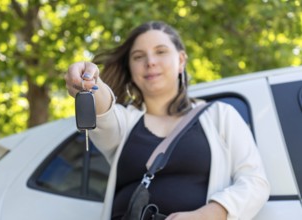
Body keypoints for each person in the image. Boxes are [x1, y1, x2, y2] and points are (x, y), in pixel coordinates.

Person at [65, 21, 270, 220]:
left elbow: (255, 181)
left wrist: (210, 214)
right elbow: (104, 114)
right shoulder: (126, 121)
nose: (150, 61)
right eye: (138, 56)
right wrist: (90, 82)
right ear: (130, 68)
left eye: (161, 51)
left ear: (181, 60)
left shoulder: (221, 115)